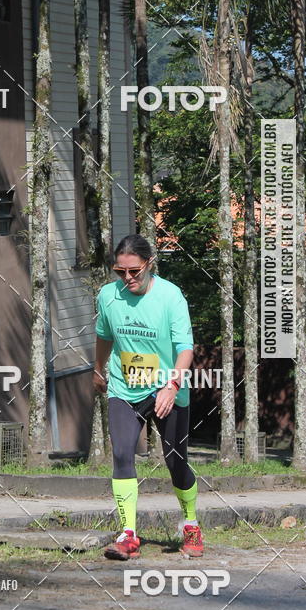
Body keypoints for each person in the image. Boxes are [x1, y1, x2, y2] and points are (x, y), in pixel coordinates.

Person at [93, 234, 203, 560]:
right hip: (125, 388)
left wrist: (171, 386)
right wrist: (98, 370)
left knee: (175, 461)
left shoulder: (171, 297)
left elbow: (185, 349)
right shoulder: (107, 296)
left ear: (149, 264)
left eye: (134, 272)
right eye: (120, 272)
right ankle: (128, 535)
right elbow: (103, 336)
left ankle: (191, 526)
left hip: (165, 386)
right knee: (123, 453)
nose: (127, 279)